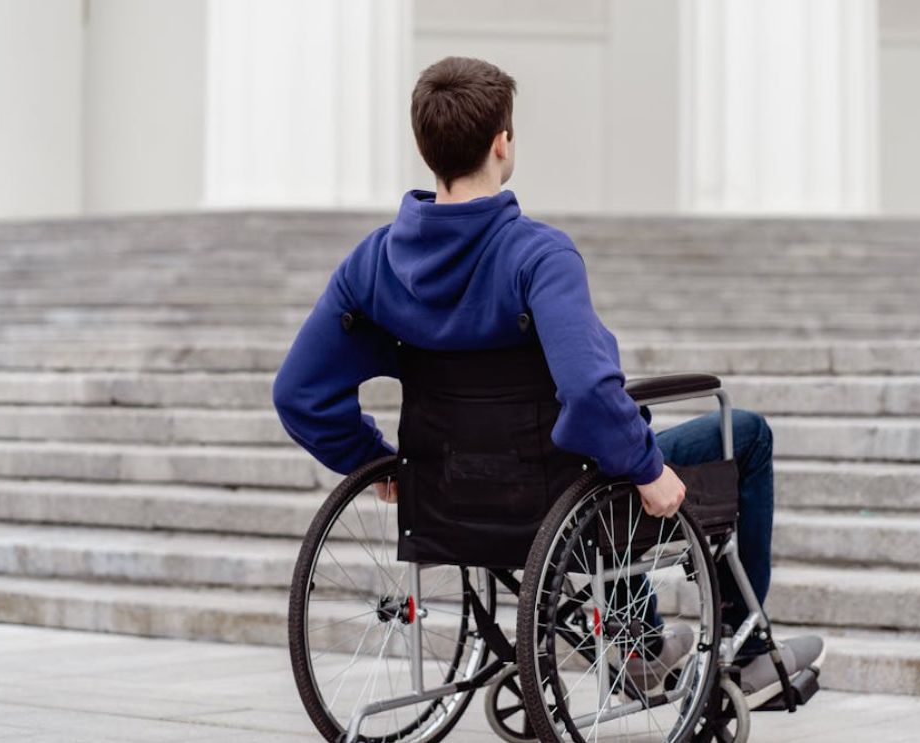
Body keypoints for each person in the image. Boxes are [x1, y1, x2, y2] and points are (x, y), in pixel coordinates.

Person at [271, 55, 823, 708]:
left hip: (448, 498)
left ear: (427, 150)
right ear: (502, 142)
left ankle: (641, 646)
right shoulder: (537, 255)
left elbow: (298, 392)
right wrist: (648, 469)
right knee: (741, 433)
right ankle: (747, 649)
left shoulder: (373, 262)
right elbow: (588, 394)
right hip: (556, 497)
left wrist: (375, 461)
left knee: (592, 451)